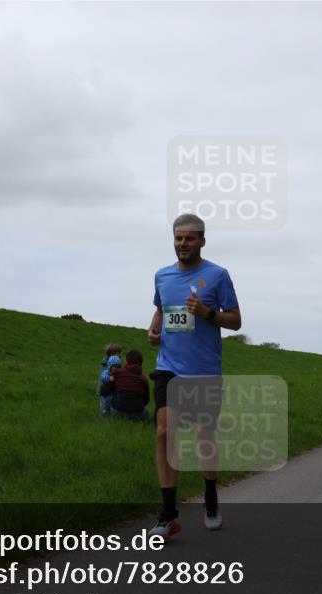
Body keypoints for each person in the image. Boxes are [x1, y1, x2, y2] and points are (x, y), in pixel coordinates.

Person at [147, 213, 241, 539]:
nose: (183, 244)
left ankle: (211, 497)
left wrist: (208, 313)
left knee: (204, 436)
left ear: (202, 240)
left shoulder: (217, 276)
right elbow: (161, 308)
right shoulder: (162, 276)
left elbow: (236, 320)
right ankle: (168, 513)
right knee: (164, 432)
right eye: (178, 238)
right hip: (168, 366)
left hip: (204, 370)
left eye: (189, 238)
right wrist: (154, 327)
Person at [101, 348, 150, 421]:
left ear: (126, 361)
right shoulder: (144, 379)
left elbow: (104, 391)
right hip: (137, 415)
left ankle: (105, 413)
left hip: (117, 413)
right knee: (146, 410)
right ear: (140, 363)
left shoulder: (117, 373)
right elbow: (146, 400)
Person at [97, 344, 123, 416]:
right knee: (104, 403)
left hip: (112, 389)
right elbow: (102, 377)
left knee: (111, 401)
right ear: (113, 354)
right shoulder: (107, 365)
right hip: (105, 389)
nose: (121, 354)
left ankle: (110, 414)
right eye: (119, 353)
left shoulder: (117, 363)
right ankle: (103, 414)